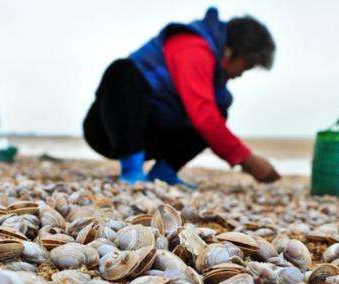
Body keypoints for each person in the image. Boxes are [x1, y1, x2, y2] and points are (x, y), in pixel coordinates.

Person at [83, 7, 281, 186]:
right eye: (245, 66)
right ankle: (132, 171)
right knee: (122, 72)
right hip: (107, 130)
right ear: (231, 52)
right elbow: (204, 118)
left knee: (219, 109)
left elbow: (211, 121)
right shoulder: (192, 47)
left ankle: (163, 174)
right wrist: (248, 160)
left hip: (151, 132)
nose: (240, 74)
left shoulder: (215, 78)